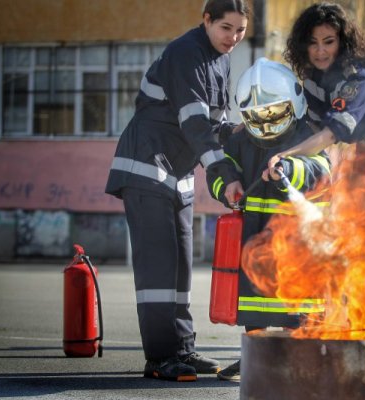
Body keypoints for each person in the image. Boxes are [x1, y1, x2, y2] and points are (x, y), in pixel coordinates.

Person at [104, 0, 249, 381]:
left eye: (240, 30)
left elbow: (212, 121)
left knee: (181, 266)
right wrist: (223, 171)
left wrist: (240, 134)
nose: (233, 38)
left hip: (178, 172)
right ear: (206, 21)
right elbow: (194, 121)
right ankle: (159, 358)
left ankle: (182, 347)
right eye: (225, 28)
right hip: (146, 166)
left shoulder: (220, 58)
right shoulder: (186, 53)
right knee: (158, 267)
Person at [206, 57, 331, 381]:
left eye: (274, 114)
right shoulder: (238, 139)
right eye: (257, 118)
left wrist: (288, 169)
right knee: (255, 303)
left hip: (299, 244)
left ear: (293, 104)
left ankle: (307, 360)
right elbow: (219, 169)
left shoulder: (307, 134)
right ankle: (254, 358)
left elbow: (322, 171)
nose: (266, 124)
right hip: (255, 237)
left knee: (300, 307)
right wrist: (227, 185)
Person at [265, 2, 365, 180]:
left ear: (343, 42)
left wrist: (285, 155)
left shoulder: (358, 77)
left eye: (329, 42)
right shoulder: (311, 81)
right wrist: (261, 119)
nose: (320, 51)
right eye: (312, 43)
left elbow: (331, 134)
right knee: (363, 208)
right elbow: (312, 129)